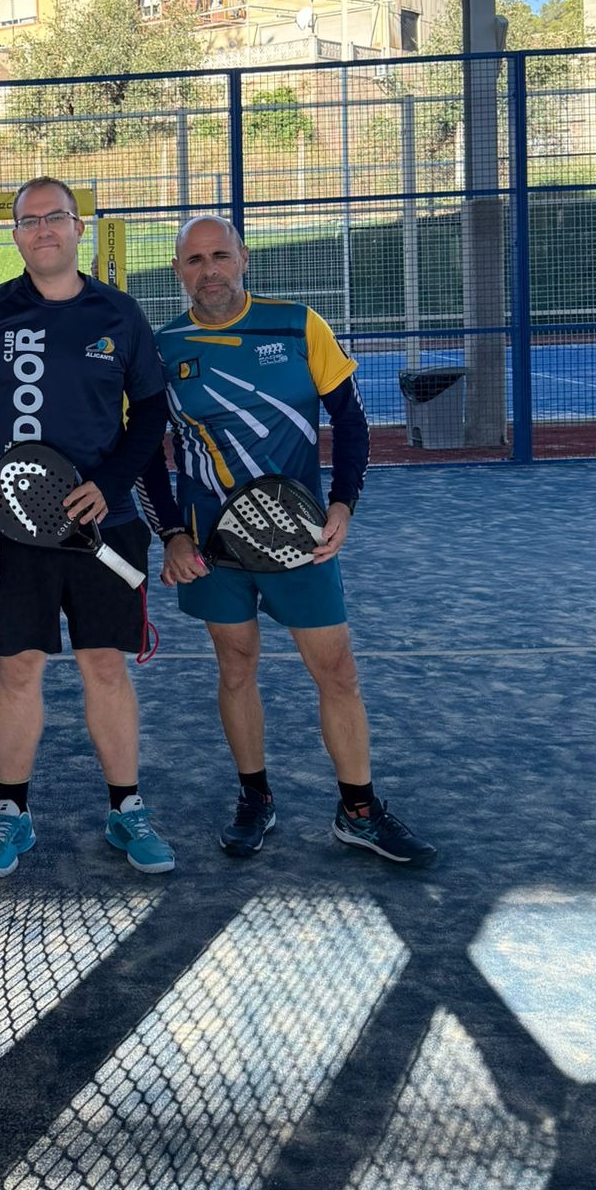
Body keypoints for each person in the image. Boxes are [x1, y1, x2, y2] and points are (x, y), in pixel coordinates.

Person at [140, 214, 436, 868]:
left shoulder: (300, 325)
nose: (209, 271)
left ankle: (359, 811)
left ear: (243, 258)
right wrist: (171, 536)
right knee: (235, 668)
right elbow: (145, 454)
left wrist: (344, 502)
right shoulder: (161, 350)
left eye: (220, 256)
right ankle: (256, 799)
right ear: (178, 270)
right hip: (212, 547)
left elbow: (350, 420)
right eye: (195, 260)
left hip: (301, 539)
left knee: (337, 671)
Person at [0, 175, 175, 878]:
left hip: (105, 526)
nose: (43, 229)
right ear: (15, 235)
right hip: (8, 533)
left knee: (105, 664)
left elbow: (151, 414)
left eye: (56, 217)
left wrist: (111, 484)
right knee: (18, 667)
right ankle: (12, 813)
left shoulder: (119, 313)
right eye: (29, 220)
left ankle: (127, 809)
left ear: (78, 228)